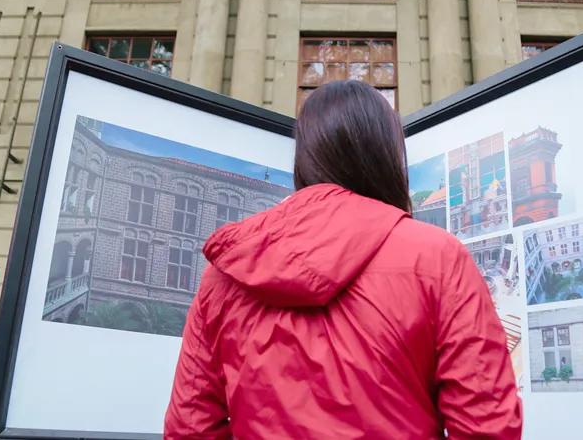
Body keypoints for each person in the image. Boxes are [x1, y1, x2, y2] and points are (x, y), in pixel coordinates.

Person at [164, 80, 522, 439]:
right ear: (387, 155)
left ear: (305, 157)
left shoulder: (226, 273)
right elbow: (486, 426)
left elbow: (189, 427)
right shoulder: (438, 257)